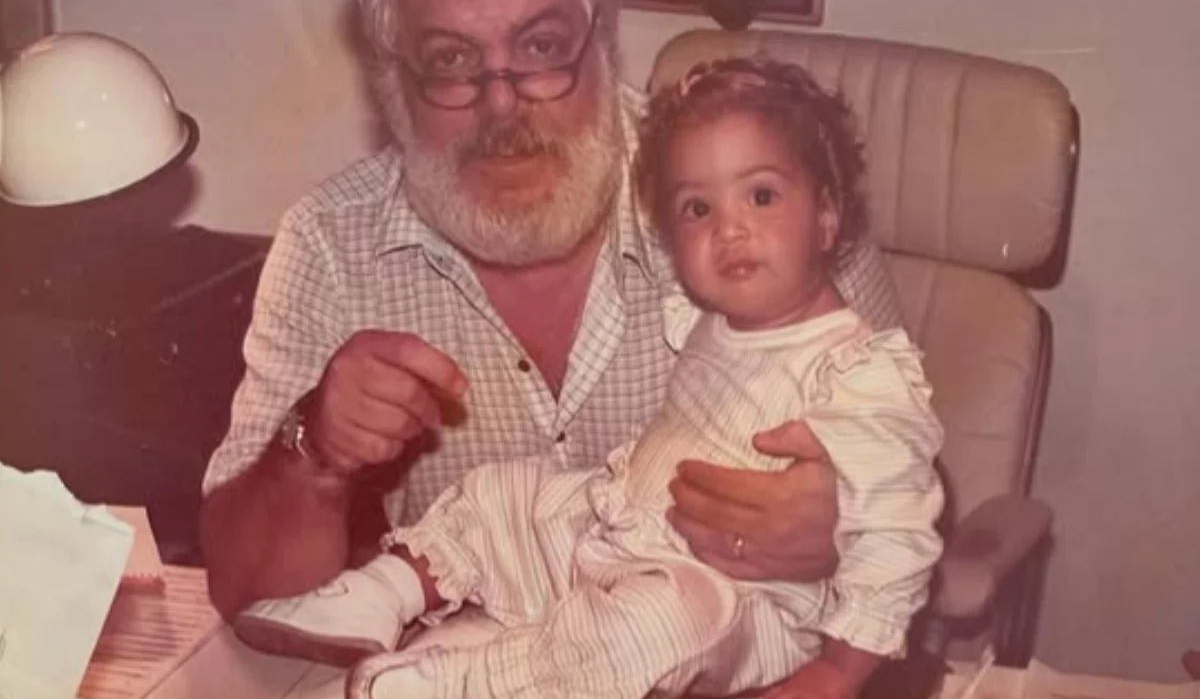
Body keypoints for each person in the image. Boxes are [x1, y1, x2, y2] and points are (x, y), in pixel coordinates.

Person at [199, 0, 908, 695]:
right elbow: (250, 596)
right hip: (468, 646)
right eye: (451, 60)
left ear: (601, 42)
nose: (502, 104)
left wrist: (844, 520)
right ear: (391, 79)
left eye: (540, 47)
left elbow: (911, 509)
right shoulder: (329, 245)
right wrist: (313, 451)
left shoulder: (764, 205)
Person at [234, 57, 945, 699]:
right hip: (618, 526)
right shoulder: (704, 315)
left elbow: (900, 533)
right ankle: (383, 594)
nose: (728, 229)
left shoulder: (860, 369)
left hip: (737, 607)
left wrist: (837, 675)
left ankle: (476, 681)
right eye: (698, 209)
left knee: (653, 623)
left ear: (828, 216)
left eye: (761, 196)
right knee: (503, 493)